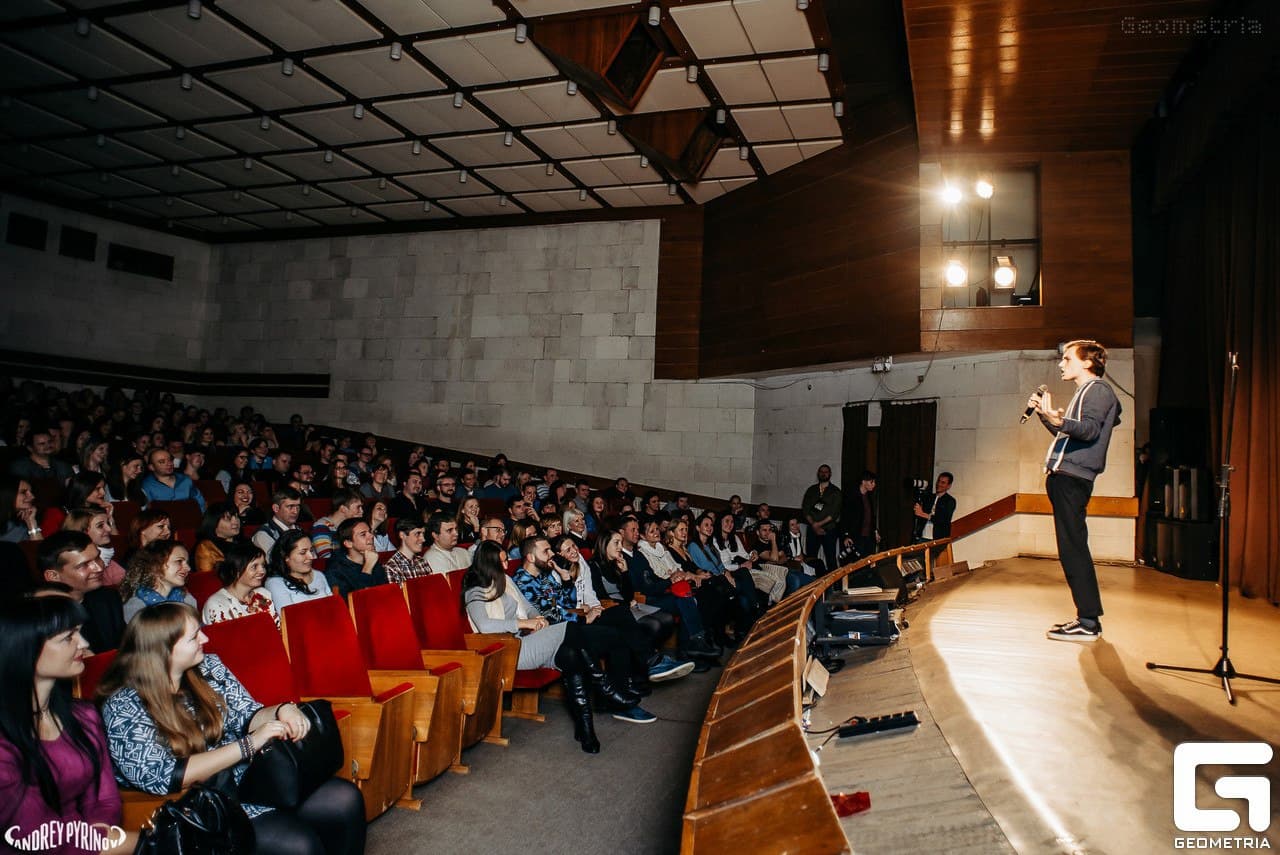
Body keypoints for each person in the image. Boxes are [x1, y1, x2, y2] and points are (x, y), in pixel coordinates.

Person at [99, 603, 366, 854]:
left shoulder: (209, 667)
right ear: (163, 649)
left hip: (250, 779)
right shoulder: (125, 705)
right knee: (299, 844)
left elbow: (248, 715)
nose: (204, 640)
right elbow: (164, 776)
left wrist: (283, 709)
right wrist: (248, 745)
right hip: (201, 804)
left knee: (345, 800)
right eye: (194, 637)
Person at [0, 596, 132, 855]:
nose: (84, 644)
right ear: (26, 648)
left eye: (80, 633)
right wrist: (148, 843)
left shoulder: (83, 715)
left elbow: (105, 801)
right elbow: (37, 838)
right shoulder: (5, 742)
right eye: (68, 637)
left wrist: (100, 839)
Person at [463, 542, 602, 753]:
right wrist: (523, 624)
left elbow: (528, 608)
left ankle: (585, 728)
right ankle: (602, 681)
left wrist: (536, 619)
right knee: (571, 628)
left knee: (570, 655)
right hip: (506, 650)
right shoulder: (474, 591)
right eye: (501, 561)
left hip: (524, 641)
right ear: (487, 564)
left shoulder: (506, 580)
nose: (507, 564)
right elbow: (485, 625)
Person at [1029, 340, 1121, 643]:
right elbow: (1069, 434)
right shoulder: (1086, 392)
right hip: (1065, 475)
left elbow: (1090, 430)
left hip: (1072, 477)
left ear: (1087, 362)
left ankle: (1088, 622)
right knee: (1071, 548)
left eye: (1067, 359)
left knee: (1073, 549)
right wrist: (1046, 415)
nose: (1061, 364)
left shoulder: (1098, 390)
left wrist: (1061, 420)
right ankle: (1086, 619)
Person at [37, 531, 125, 654]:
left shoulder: (108, 598)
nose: (99, 568)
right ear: (53, 576)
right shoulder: (40, 618)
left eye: (97, 558)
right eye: (83, 565)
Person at [202, 541, 278, 627]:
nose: (262, 571)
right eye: (254, 567)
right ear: (236, 571)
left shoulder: (263, 594)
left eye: (263, 565)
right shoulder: (217, 604)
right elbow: (226, 639)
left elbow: (278, 630)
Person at [120, 540, 197, 623]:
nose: (188, 568)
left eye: (187, 562)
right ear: (155, 565)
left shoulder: (187, 599)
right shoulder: (136, 606)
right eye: (179, 561)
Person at [265, 531, 333, 608]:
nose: (311, 556)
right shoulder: (275, 583)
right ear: (286, 557)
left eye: (311, 551)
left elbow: (334, 607)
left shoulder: (318, 575)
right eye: (303, 553)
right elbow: (288, 617)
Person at [325, 518, 388, 599]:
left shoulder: (373, 559)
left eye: (370, 532)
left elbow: (385, 594)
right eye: (363, 534)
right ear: (348, 543)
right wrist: (367, 568)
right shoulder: (336, 570)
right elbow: (355, 604)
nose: (371, 536)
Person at [801, 464, 843, 572]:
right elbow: (805, 509)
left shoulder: (835, 491)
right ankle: (812, 584)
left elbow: (834, 513)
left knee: (830, 559)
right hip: (812, 529)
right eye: (821, 471)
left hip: (829, 530)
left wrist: (819, 525)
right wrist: (814, 525)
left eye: (826, 472)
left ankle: (834, 586)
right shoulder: (811, 490)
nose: (823, 474)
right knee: (811, 558)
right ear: (818, 474)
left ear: (830, 474)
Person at [193, 502, 245, 575]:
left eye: (236, 516)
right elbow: (207, 578)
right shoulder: (206, 547)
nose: (235, 521)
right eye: (228, 518)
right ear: (214, 522)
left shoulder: (245, 541)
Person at [843, 470, 879, 560]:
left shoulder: (869, 497)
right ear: (863, 482)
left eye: (874, 482)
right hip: (856, 537)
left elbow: (871, 516)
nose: (874, 484)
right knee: (855, 563)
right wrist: (846, 536)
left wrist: (875, 531)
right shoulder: (851, 496)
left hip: (868, 537)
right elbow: (845, 517)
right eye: (871, 482)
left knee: (869, 561)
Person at [384, 518, 431, 584]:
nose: (423, 539)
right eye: (417, 534)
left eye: (423, 534)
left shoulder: (422, 562)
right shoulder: (392, 568)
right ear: (402, 535)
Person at [913, 472, 956, 542]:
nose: (939, 484)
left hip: (938, 538)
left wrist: (922, 514)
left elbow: (943, 520)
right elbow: (920, 514)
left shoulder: (950, 501)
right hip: (923, 536)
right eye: (938, 481)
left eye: (943, 482)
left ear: (949, 486)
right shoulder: (929, 497)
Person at [0, 475, 42, 543]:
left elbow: (39, 551)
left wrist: (31, 523)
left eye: (31, 492)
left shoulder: (22, 523)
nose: (32, 497)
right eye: (23, 492)